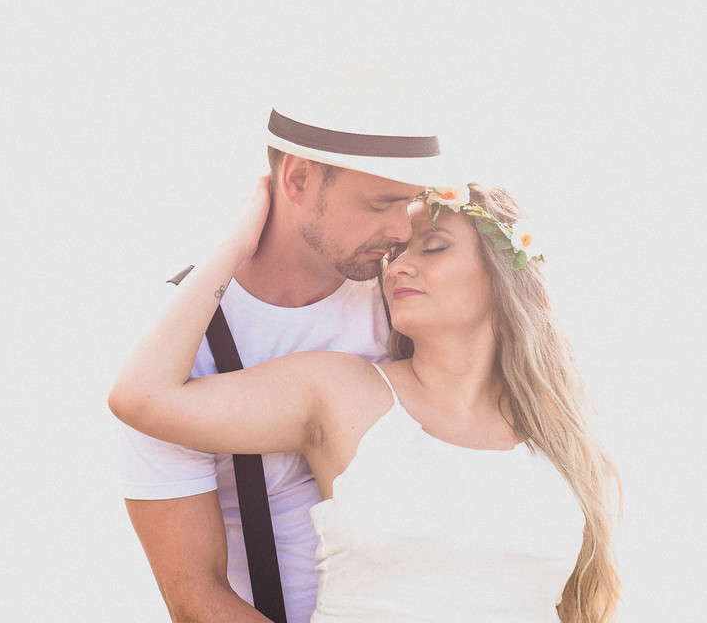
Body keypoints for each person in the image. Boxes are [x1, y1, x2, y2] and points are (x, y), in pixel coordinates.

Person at [110, 176, 622, 622]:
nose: (398, 267)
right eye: (398, 253)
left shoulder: (559, 427)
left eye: (435, 246)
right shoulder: (340, 393)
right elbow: (142, 398)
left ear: (503, 272)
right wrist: (235, 245)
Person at [116, 102, 456, 623]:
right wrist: (230, 248)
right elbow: (193, 594)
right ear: (297, 179)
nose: (400, 231)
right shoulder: (177, 343)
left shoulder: (405, 301)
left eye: (408, 204)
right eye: (379, 204)